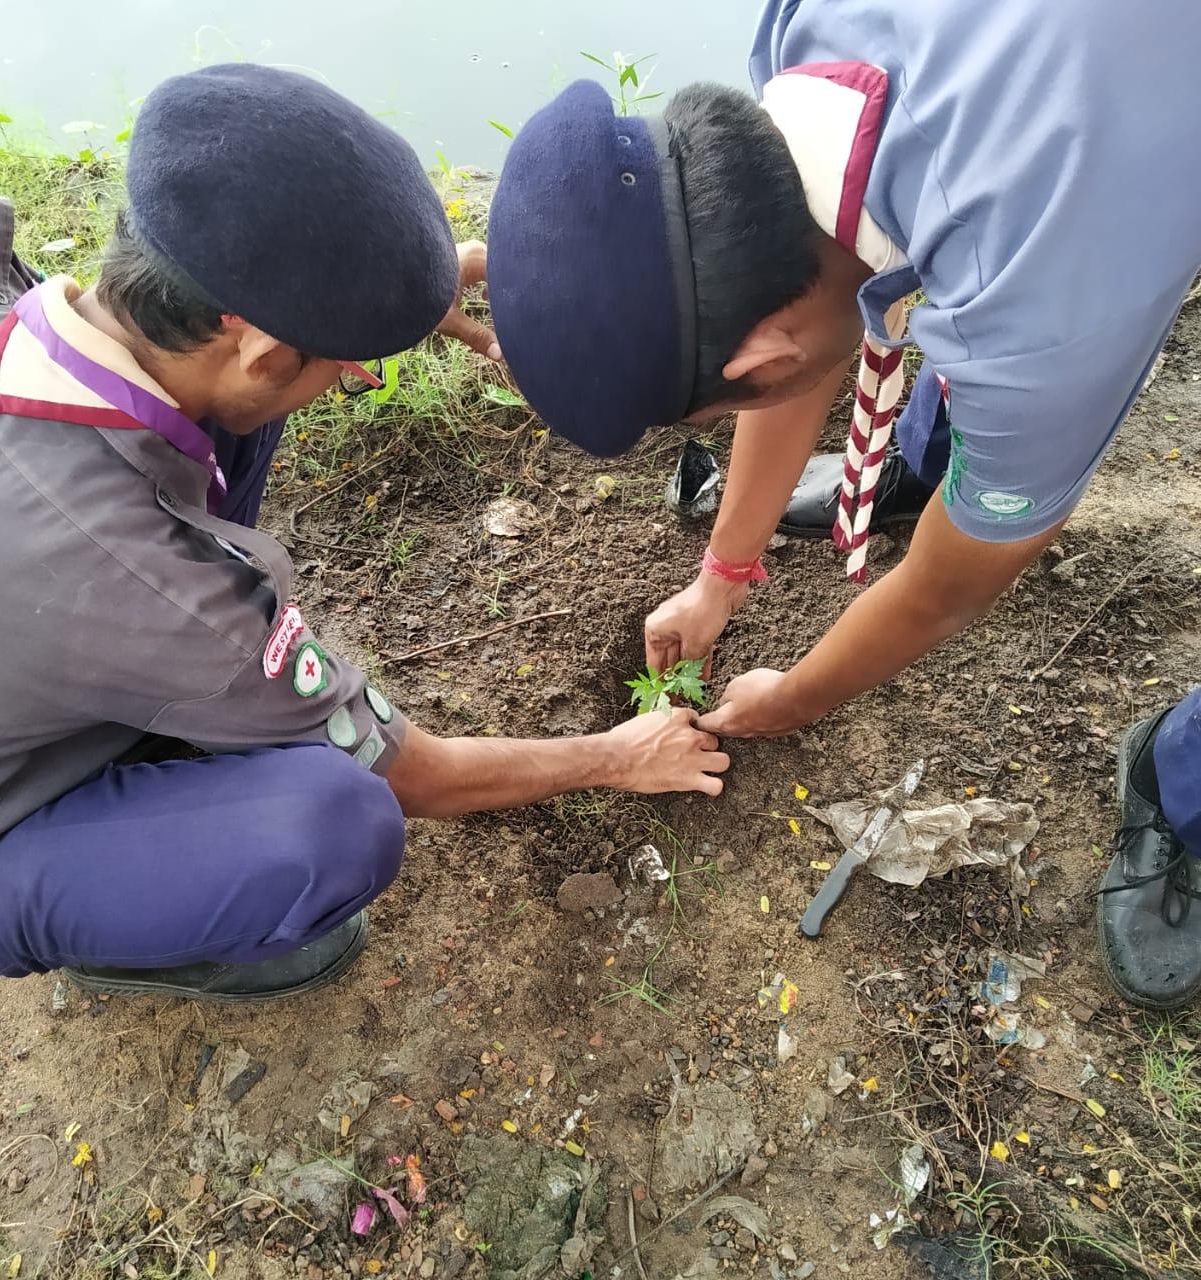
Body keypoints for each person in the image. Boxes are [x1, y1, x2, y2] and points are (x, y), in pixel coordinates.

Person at [0, 64, 729, 1003]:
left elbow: (249, 353)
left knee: (233, 418)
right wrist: (618, 755)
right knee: (334, 823)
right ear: (262, 347)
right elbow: (415, 773)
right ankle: (99, 926)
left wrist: (428, 279)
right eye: (349, 364)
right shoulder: (155, 583)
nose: (353, 377)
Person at [484, 0, 1201, 1008]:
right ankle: (923, 452)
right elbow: (808, 307)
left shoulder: (1033, 314)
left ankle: (1177, 787)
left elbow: (945, 591)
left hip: (1128, 145)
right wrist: (718, 577)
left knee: (996, 385)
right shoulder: (802, 36)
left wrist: (796, 696)